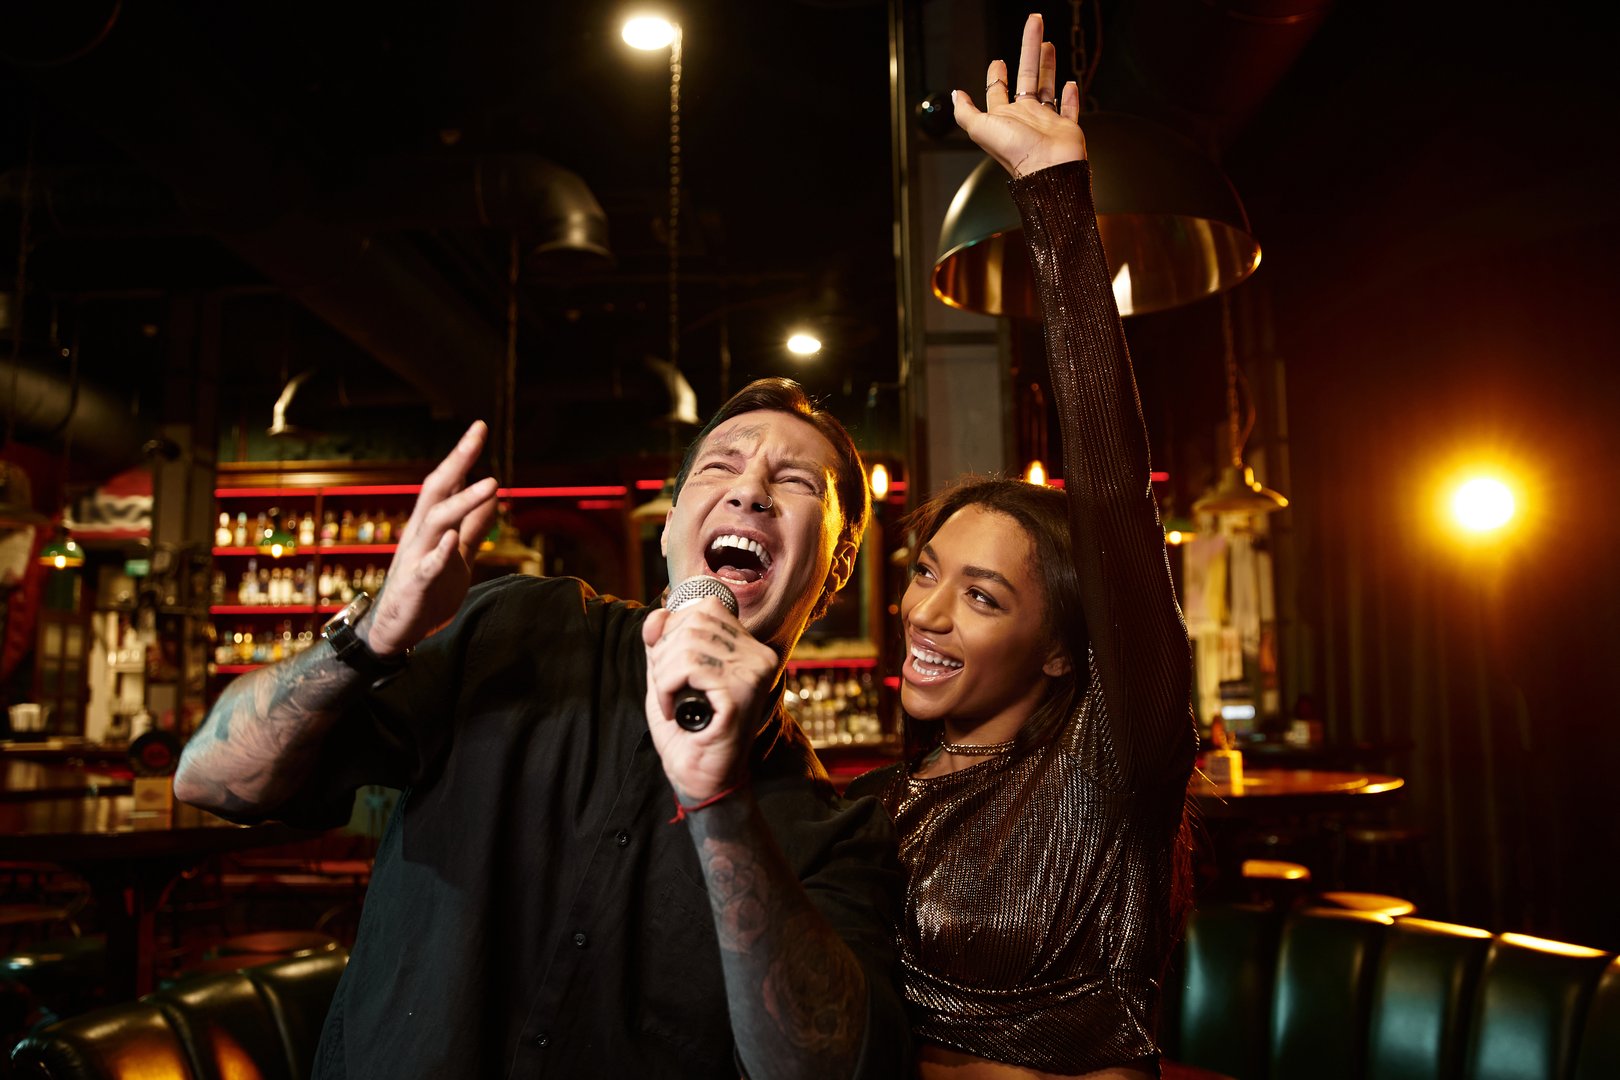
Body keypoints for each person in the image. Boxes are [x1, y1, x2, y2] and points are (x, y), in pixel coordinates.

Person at [175, 378, 910, 1079]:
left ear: (838, 566)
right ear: (669, 527)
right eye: (721, 466)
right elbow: (209, 779)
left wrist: (719, 804)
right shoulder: (522, 628)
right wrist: (371, 636)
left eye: (795, 481)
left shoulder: (836, 833)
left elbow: (825, 1068)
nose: (749, 490)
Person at [846, 15, 1198, 1080]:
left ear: (1058, 649)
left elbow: (1113, 494)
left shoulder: (1108, 767)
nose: (925, 613)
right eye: (926, 573)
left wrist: (1053, 200)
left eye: (984, 595)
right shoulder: (886, 800)